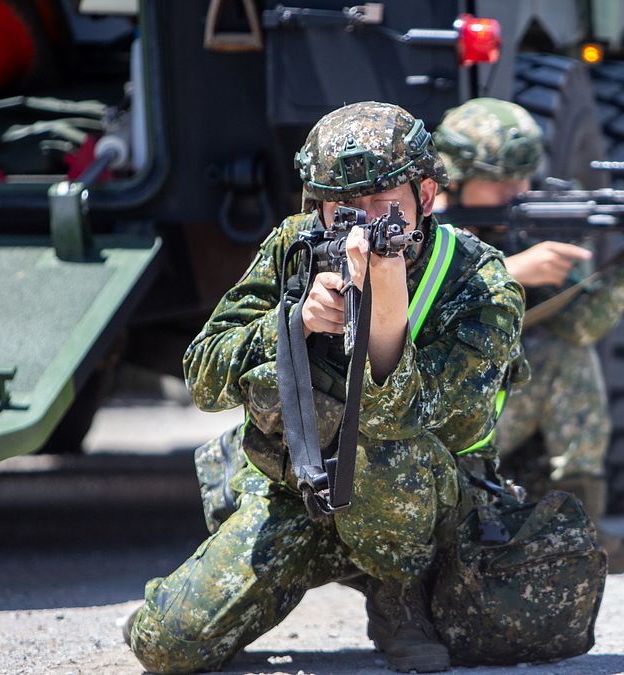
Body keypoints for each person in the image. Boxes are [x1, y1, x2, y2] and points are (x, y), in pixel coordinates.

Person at [124, 101, 524, 674]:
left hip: (419, 506)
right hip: (302, 491)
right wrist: (293, 322)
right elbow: (204, 376)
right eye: (343, 211)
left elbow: (399, 417)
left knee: (381, 446)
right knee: (169, 645)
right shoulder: (296, 245)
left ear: (427, 196)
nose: (363, 227)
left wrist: (385, 297)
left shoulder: (480, 283)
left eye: (383, 206)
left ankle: (398, 594)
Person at [433, 98, 624, 574]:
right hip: (420, 423)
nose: (516, 192)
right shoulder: (414, 228)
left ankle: (578, 535)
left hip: (489, 416)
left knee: (562, 353)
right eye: (501, 180)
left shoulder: (521, 224)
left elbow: (578, 327)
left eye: (523, 178)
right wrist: (507, 273)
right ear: (455, 177)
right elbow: (398, 318)